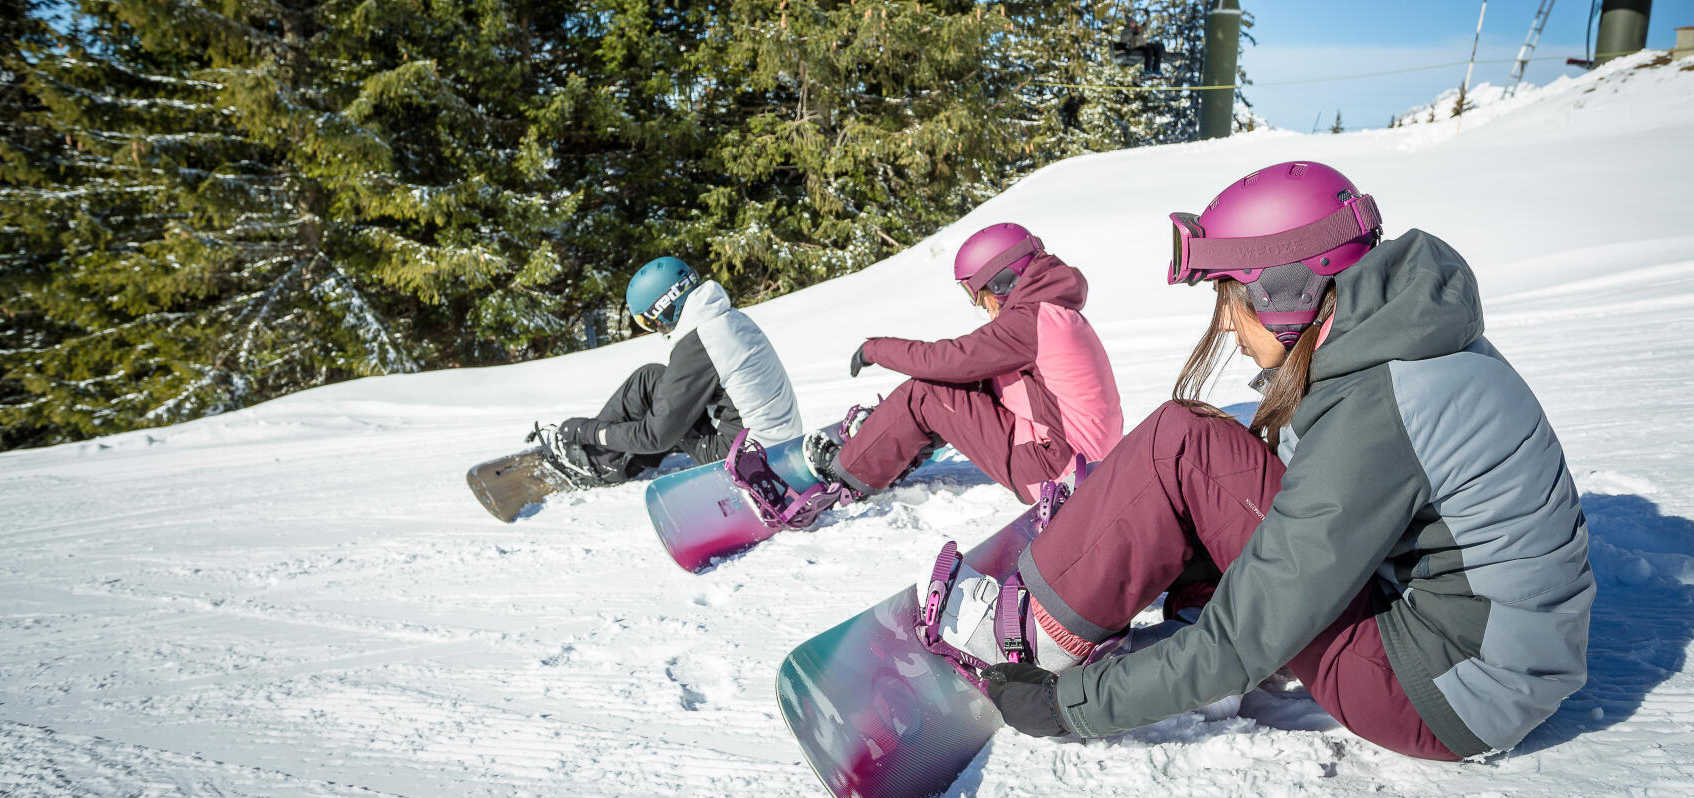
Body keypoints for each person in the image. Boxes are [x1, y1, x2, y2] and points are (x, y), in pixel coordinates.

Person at [925, 161, 1595, 761]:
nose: (1223, 324)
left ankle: (1031, 637)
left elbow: (1249, 634)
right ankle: (1118, 593)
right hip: (1476, 659)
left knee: (1182, 443)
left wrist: (1067, 706)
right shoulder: (1407, 339)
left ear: (1284, 292)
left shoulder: (1379, 403)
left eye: (1228, 296)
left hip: (1440, 694)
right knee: (1196, 446)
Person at [806, 224, 1124, 506]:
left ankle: (847, 475)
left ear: (1001, 282)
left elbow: (947, 360)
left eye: (976, 291)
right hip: (1083, 465)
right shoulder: (1055, 314)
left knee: (927, 393)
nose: (979, 304)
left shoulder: (1030, 322)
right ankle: (892, 446)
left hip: (1055, 471)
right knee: (962, 385)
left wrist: (873, 349)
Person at [541, 256, 803, 485]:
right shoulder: (725, 319)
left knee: (653, 401)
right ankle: (613, 455)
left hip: (746, 456)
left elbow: (655, 436)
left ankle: (596, 463)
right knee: (652, 377)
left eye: (647, 321)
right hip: (777, 442)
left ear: (663, 308)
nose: (655, 328)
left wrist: (586, 430)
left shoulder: (698, 343)